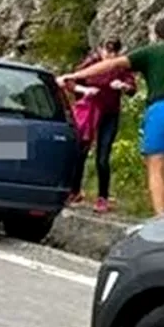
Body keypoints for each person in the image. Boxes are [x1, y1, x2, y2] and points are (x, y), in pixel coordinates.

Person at [58, 17, 164, 215]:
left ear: (156, 34)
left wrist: (75, 76)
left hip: (163, 108)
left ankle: (160, 217)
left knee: (157, 165)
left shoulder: (152, 52)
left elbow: (111, 66)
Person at [66, 39, 136, 212]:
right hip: (90, 111)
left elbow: (132, 89)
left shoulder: (121, 67)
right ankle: (74, 191)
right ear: (101, 50)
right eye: (108, 51)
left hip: (109, 114)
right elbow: (71, 82)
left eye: (114, 52)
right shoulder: (91, 63)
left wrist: (123, 86)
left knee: (103, 156)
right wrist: (85, 91)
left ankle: (102, 197)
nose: (110, 55)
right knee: (80, 151)